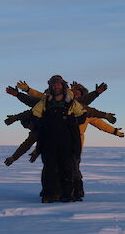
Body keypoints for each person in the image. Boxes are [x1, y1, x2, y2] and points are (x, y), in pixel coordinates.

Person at [32, 75, 87, 203]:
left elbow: (82, 115)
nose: (55, 87)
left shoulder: (71, 102)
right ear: (50, 87)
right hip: (48, 141)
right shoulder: (44, 102)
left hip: (67, 141)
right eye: (53, 84)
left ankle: (67, 195)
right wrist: (43, 123)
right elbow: (35, 114)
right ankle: (49, 195)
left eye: (58, 84)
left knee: (67, 168)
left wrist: (72, 122)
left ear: (63, 86)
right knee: (50, 168)